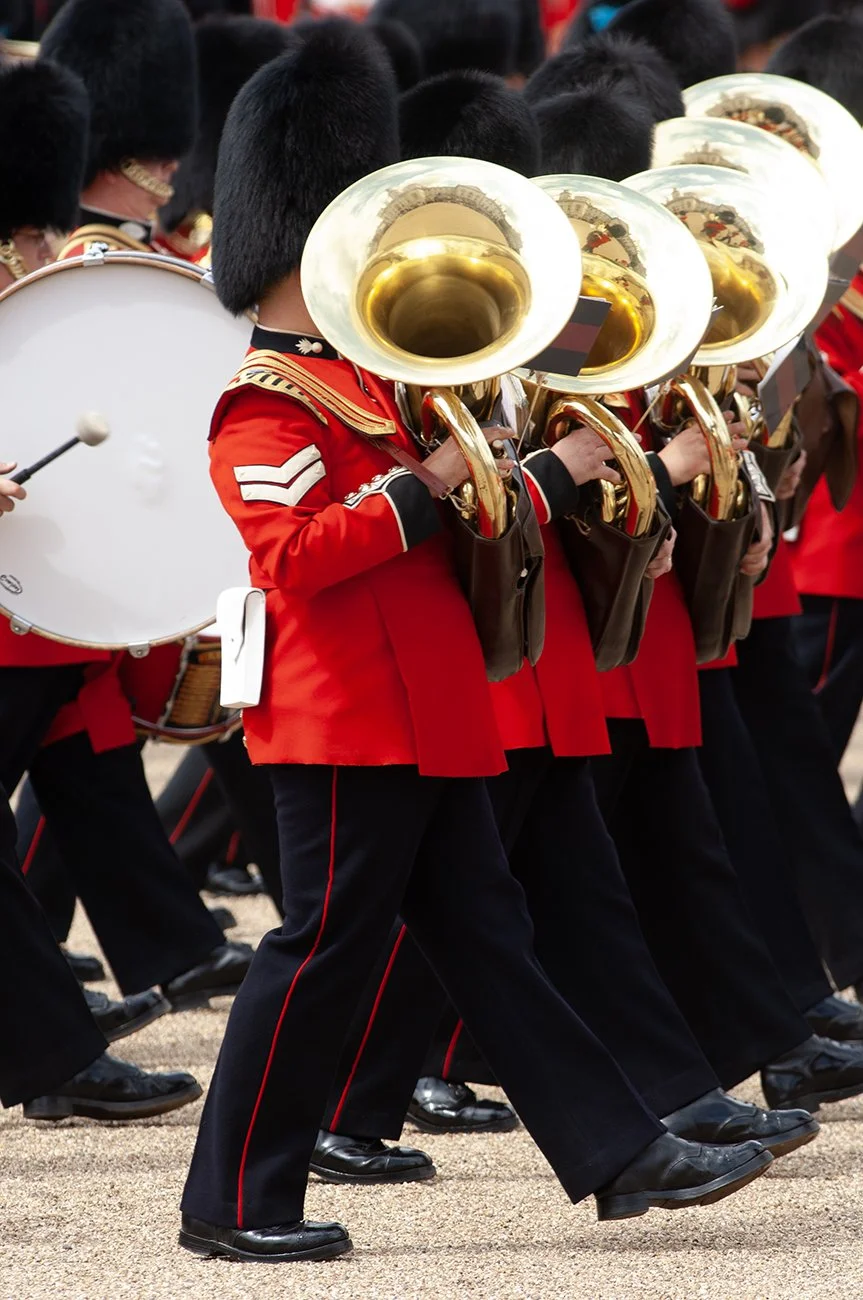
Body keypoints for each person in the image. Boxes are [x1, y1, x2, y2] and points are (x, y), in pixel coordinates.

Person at [179, 20, 774, 1264]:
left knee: (487, 935)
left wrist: (539, 482)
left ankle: (618, 1150)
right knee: (318, 949)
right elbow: (294, 560)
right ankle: (231, 1197)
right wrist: (422, 488)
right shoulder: (265, 397)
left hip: (428, 706)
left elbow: (457, 527)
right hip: (347, 718)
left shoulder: (378, 388)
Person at [0, 0, 255, 1008]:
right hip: (27, 590)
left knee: (95, 772)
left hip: (57, 583)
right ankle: (59, 1025)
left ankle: (147, 960)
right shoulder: (55, 270)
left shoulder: (56, 269)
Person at [0, 59, 201, 1121]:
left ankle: (59, 1049)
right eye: (24, 233)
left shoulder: (30, 294)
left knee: (82, 788)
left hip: (28, 614)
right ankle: (61, 1048)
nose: (38, 251)